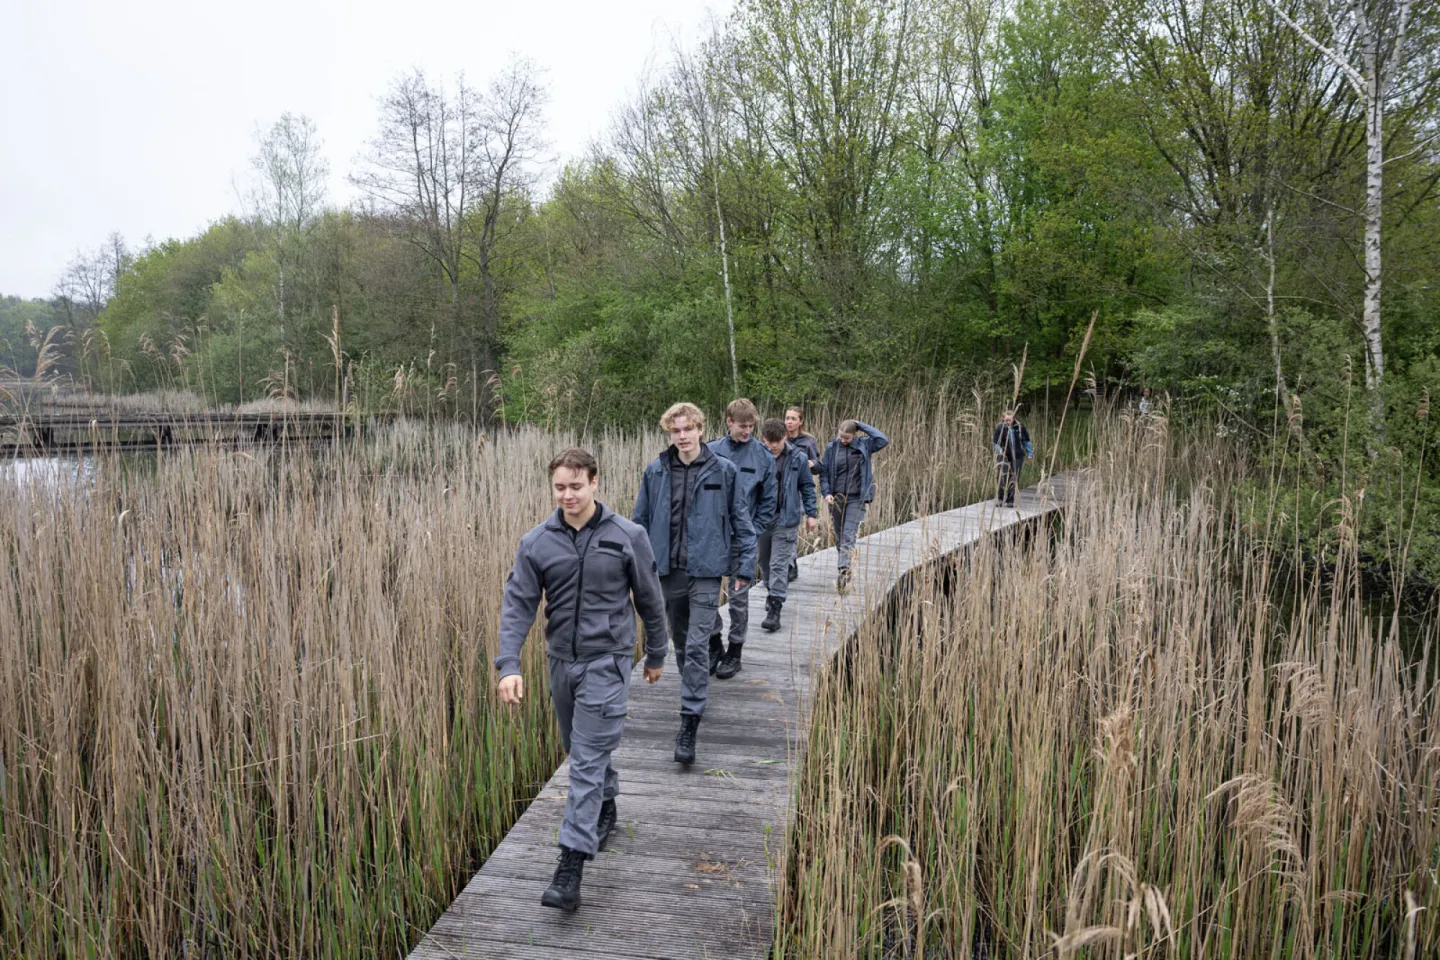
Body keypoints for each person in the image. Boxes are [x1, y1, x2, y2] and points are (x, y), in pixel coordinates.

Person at [495, 448, 669, 913]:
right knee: (580, 749)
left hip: (606, 664)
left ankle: (570, 865)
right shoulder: (537, 542)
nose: (568, 495)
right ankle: (606, 805)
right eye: (560, 487)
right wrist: (508, 665)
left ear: (595, 482)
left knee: (585, 762)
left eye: (576, 485)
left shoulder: (626, 536)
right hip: (560, 664)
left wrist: (656, 653)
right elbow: (518, 605)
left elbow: (650, 598)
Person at [633, 402, 757, 765]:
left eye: (688, 429)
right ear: (669, 432)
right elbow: (639, 524)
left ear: (701, 429)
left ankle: (689, 721)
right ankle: (695, 688)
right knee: (683, 644)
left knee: (700, 644)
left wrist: (744, 569)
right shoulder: (655, 472)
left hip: (705, 571)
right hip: (667, 572)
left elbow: (741, 521)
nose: (682, 436)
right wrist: (635, 570)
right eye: (676, 430)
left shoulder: (724, 470)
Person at [704, 399, 777, 681]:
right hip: (711, 539)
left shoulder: (763, 457)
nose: (747, 431)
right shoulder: (709, 451)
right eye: (742, 426)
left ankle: (735, 652)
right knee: (705, 597)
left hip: (742, 540)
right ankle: (714, 645)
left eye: (751, 426)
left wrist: (752, 530)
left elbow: (769, 502)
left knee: (738, 597)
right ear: (729, 422)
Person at [758, 418, 818, 633]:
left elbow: (807, 486)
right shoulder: (757, 456)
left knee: (778, 564)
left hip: (787, 519)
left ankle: (775, 607)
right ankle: (770, 591)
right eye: (769, 442)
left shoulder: (798, 458)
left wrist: (811, 513)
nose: (773, 446)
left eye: (777, 441)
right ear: (763, 439)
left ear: (785, 437)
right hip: (762, 520)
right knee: (764, 563)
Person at [818, 419, 889, 594]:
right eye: (841, 437)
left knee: (849, 533)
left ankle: (843, 570)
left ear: (855, 435)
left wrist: (859, 423)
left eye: (847, 438)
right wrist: (826, 492)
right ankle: (845, 564)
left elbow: (883, 440)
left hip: (857, 498)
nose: (843, 440)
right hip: (836, 498)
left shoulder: (865, 445)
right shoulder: (832, 448)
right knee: (840, 534)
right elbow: (824, 473)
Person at [783, 406, 822, 583]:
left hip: (797, 489)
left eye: (793, 418)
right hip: (779, 490)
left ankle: (791, 564)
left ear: (800, 422)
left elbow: (819, 466)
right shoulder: (779, 439)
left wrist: (810, 463)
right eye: (787, 418)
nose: (789, 422)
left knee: (791, 527)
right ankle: (783, 563)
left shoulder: (808, 442)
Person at [992, 409, 1033, 507]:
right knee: (1002, 475)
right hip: (1004, 455)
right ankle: (1001, 498)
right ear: (1003, 419)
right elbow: (995, 443)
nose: (1008, 422)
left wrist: (1029, 453)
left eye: (1009, 420)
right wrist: (1000, 451)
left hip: (1017, 455)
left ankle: (1010, 499)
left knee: (1014, 477)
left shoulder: (1020, 428)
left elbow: (1026, 441)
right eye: (1006, 420)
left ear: (1013, 419)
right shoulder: (1000, 428)